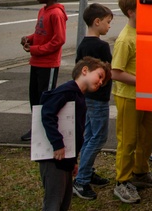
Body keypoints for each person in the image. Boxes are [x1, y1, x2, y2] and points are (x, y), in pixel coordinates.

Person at [37, 56, 110, 211]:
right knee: (53, 202)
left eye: (103, 81)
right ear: (85, 70)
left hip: (65, 160)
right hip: (54, 158)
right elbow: (47, 114)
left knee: (64, 200)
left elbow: (74, 132)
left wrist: (73, 161)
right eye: (100, 76)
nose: (101, 82)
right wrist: (57, 144)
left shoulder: (77, 95)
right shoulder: (67, 91)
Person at [112, 0, 152, 204]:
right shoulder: (125, 39)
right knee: (128, 140)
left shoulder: (144, 31)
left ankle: (140, 172)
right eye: (143, 8)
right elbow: (116, 72)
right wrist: (144, 81)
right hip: (128, 97)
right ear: (131, 12)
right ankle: (122, 181)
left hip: (145, 95)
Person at [71, 3, 115, 201]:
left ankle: (87, 172)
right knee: (98, 138)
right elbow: (109, 71)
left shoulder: (83, 44)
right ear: (97, 22)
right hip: (98, 99)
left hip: (86, 96)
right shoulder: (101, 46)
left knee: (89, 136)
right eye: (107, 22)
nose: (109, 26)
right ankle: (81, 180)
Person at [20, 0, 67, 141]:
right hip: (36, 62)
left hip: (48, 63)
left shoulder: (56, 14)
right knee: (34, 97)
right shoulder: (43, 11)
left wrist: (36, 50)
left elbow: (59, 40)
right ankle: (36, 127)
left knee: (45, 98)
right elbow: (41, 33)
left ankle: (46, 129)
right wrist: (29, 39)